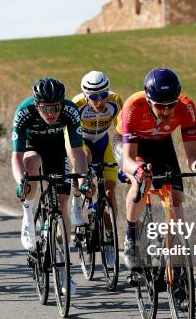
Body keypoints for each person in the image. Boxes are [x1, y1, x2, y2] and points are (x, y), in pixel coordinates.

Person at [117, 68, 196, 270]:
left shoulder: (187, 107)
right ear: (150, 100)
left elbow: (192, 156)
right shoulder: (134, 105)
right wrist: (136, 170)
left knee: (176, 203)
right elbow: (128, 159)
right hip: (131, 144)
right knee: (141, 182)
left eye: (171, 105)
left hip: (161, 143)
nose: (167, 112)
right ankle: (131, 235)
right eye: (160, 106)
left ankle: (175, 271)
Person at [10, 77, 91, 295]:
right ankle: (28, 215)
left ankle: (65, 268)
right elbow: (16, 157)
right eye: (46, 108)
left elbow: (76, 151)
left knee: (62, 203)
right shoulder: (24, 111)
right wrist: (21, 182)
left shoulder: (70, 110)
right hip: (31, 148)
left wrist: (82, 181)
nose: (51, 113)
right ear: (37, 105)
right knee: (31, 165)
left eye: (56, 107)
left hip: (57, 151)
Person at [69, 71, 123, 227]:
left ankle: (110, 236)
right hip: (82, 143)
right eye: (94, 97)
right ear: (86, 96)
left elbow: (122, 133)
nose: (100, 102)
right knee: (84, 156)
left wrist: (124, 160)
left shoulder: (116, 102)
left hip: (103, 143)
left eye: (103, 95)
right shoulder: (77, 104)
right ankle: (77, 201)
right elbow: (70, 137)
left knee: (110, 192)